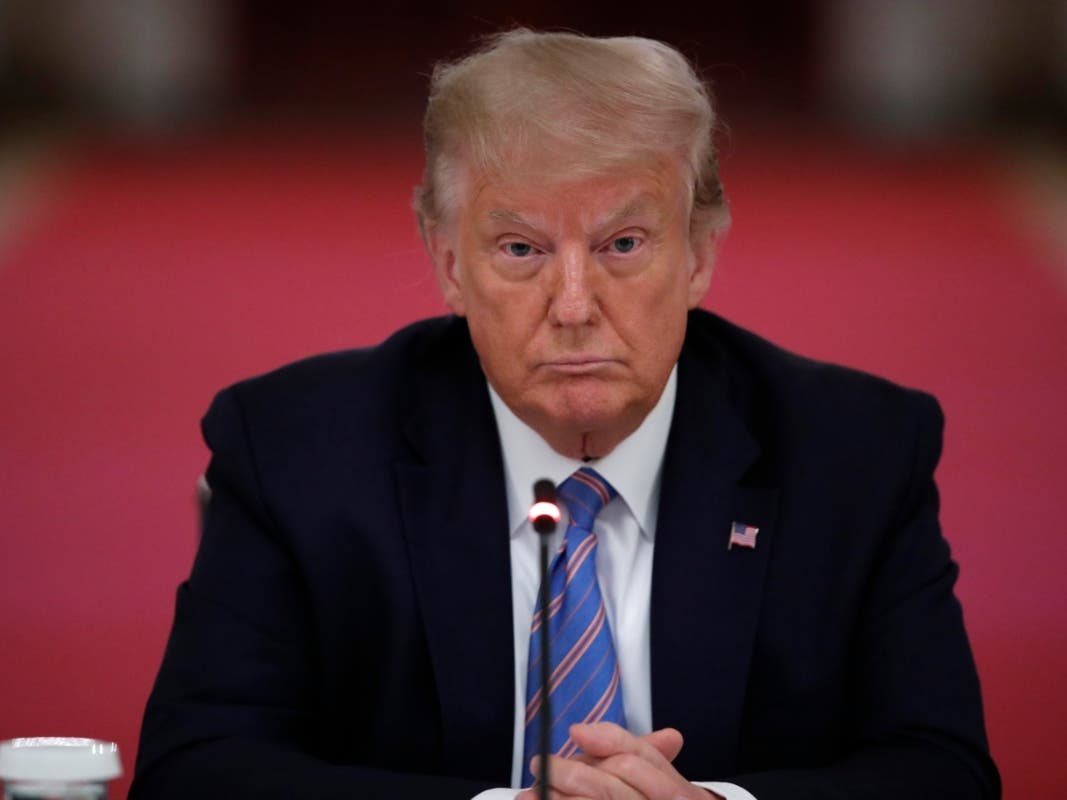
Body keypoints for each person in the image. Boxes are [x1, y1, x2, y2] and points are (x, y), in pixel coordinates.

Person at [130, 29, 1000, 800]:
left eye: (623, 244)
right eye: (520, 249)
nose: (574, 303)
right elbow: (196, 769)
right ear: (446, 262)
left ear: (698, 255)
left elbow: (941, 771)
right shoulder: (295, 450)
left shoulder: (853, 453)